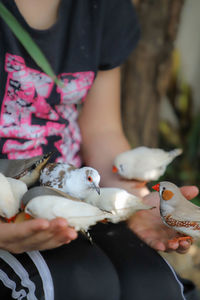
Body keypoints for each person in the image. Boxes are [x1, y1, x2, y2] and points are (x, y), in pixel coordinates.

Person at [0, 0, 199, 299]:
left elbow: (102, 132)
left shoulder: (104, 7)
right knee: (82, 285)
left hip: (75, 202)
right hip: (10, 215)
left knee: (153, 286)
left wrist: (136, 204)